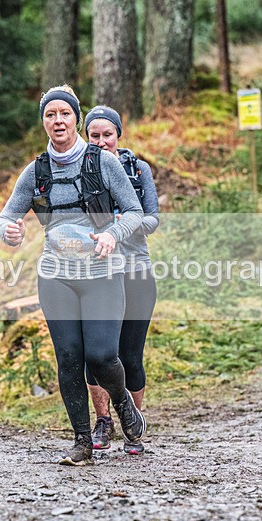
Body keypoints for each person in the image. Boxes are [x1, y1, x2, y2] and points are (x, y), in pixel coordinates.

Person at [0, 85, 146, 466]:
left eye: (64, 113)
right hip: (56, 275)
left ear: (76, 118)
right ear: (43, 121)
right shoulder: (37, 170)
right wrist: (9, 231)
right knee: (68, 357)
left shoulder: (103, 162)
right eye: (50, 114)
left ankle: (122, 401)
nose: (58, 120)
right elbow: (7, 216)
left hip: (101, 271)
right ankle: (81, 441)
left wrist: (112, 234)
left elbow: (133, 211)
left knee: (101, 355)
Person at [83, 105, 159, 455]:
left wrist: (120, 223)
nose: (100, 142)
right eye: (94, 136)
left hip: (135, 269)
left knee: (130, 354)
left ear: (118, 135)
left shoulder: (137, 169)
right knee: (96, 356)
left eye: (106, 135)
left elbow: (152, 219)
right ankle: (103, 421)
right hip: (95, 272)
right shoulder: (80, 170)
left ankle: (134, 425)